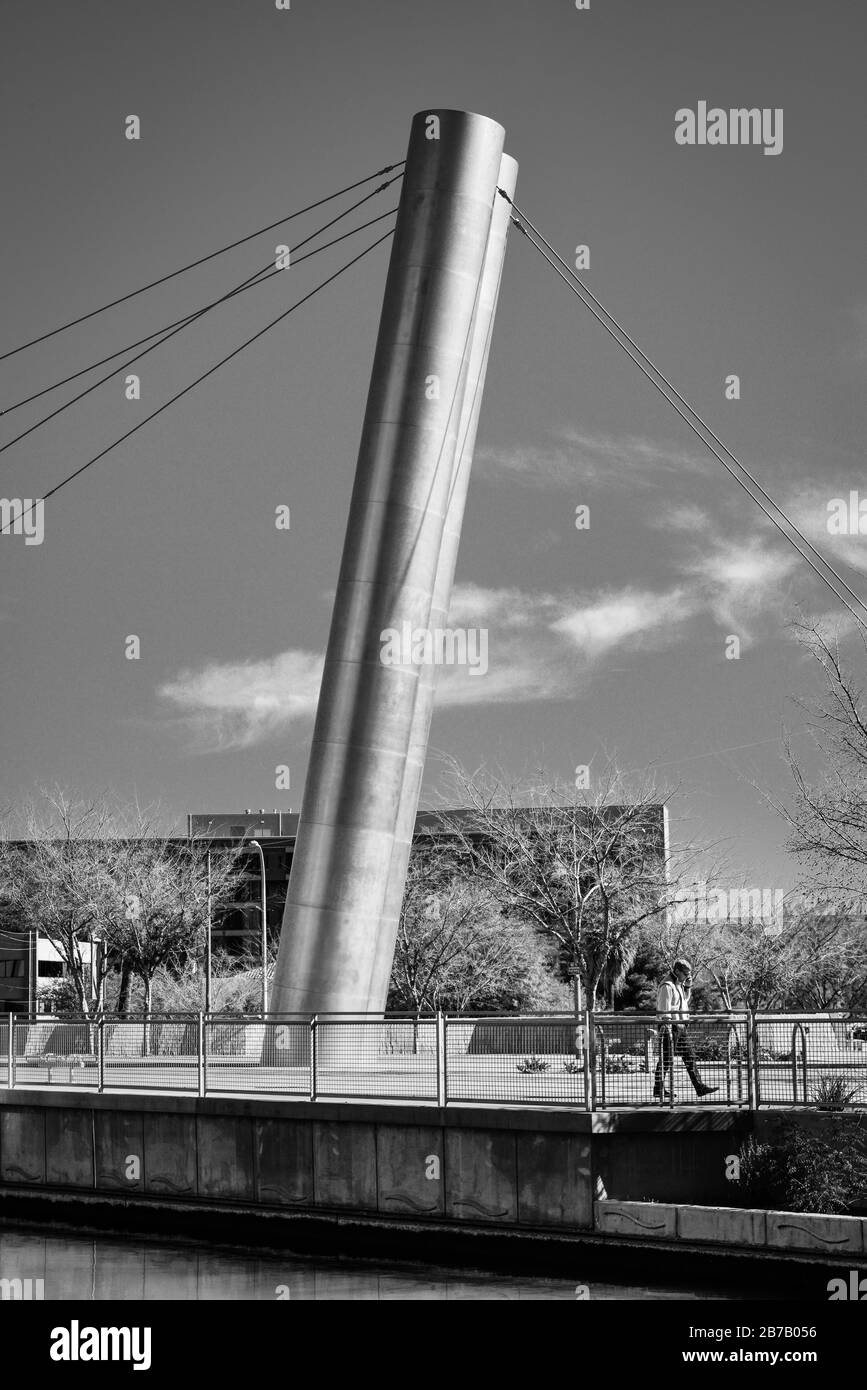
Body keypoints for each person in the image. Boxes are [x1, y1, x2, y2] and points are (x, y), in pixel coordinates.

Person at [653, 959, 718, 1100]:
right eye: (686, 974)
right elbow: (664, 1009)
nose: (688, 976)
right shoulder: (667, 985)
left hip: (681, 1026)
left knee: (689, 1057)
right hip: (670, 1027)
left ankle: (700, 1087)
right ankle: (658, 1089)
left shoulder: (678, 984)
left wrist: (688, 986)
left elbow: (683, 1001)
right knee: (666, 1059)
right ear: (677, 971)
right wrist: (668, 1029)